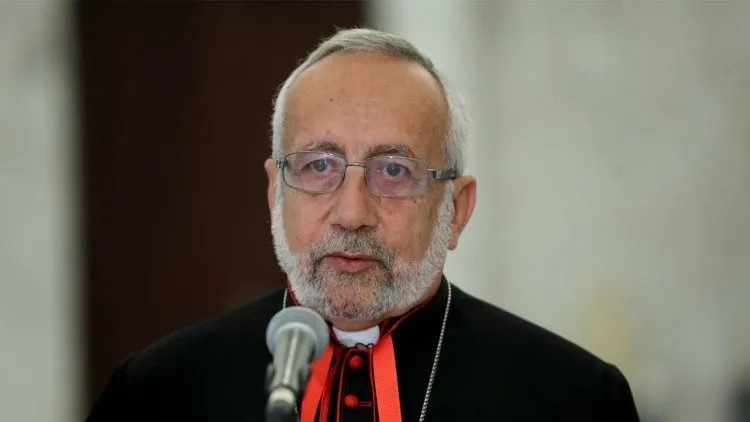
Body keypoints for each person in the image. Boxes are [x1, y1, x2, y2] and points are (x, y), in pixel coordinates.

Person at [87, 28, 640, 421]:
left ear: (456, 210)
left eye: (394, 170)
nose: (352, 213)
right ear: (275, 193)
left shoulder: (576, 401)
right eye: (319, 166)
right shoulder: (157, 394)